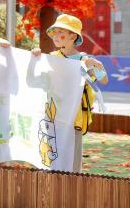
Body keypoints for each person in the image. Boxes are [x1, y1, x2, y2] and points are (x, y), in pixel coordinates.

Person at [32, 13, 108, 173]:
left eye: (60, 32)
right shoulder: (51, 58)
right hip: (53, 117)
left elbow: (103, 80)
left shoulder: (84, 60)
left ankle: (70, 187)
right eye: (54, 32)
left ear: (73, 36)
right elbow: (36, 80)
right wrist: (35, 59)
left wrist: (96, 66)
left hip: (74, 118)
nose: (55, 36)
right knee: (51, 158)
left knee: (72, 163)